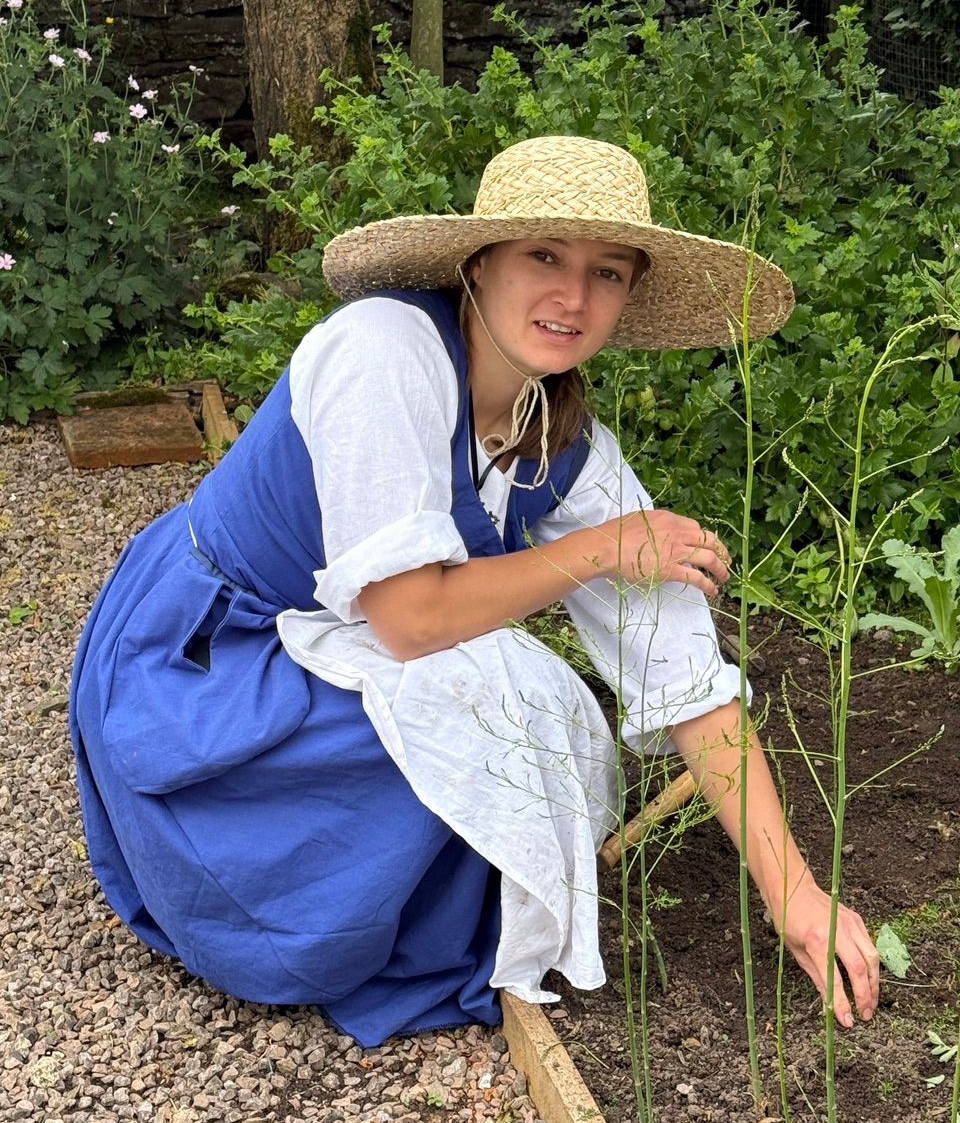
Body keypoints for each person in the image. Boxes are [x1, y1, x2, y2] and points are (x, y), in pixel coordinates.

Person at [69, 135, 879, 1049]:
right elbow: (413, 619)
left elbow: (687, 678)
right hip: (208, 655)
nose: (573, 298)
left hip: (327, 639)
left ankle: (389, 894)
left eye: (607, 272)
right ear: (479, 263)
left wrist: (798, 896)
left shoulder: (566, 445)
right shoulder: (384, 351)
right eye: (544, 256)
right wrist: (604, 551)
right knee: (490, 693)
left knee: (533, 708)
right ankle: (270, 896)